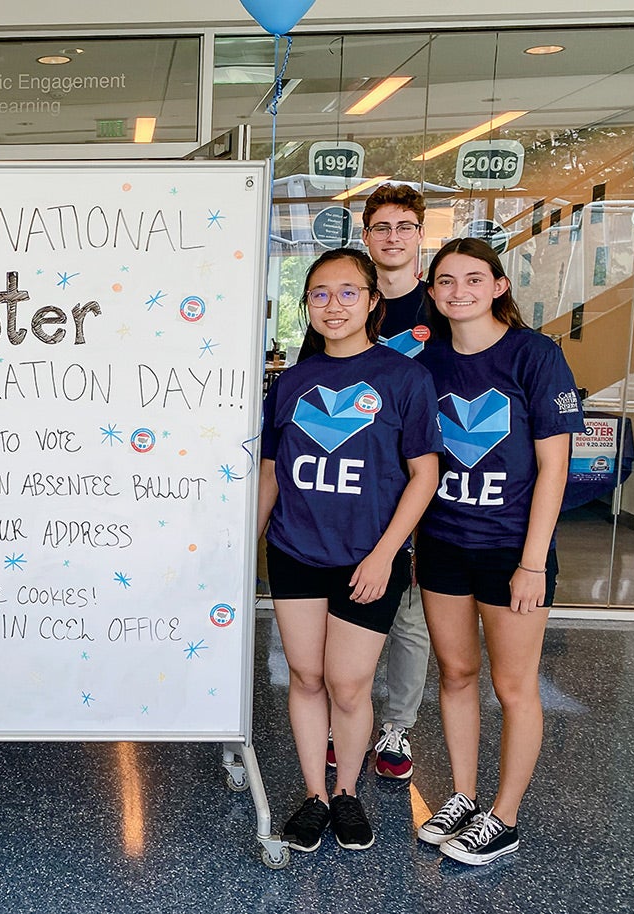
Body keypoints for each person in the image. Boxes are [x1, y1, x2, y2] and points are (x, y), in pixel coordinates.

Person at [259, 248, 441, 853]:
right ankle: (315, 794)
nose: (332, 305)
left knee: (349, 684)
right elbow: (271, 474)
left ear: (371, 302)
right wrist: (246, 546)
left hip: (369, 559)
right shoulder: (290, 383)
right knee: (307, 676)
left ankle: (348, 792)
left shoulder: (404, 378)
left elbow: (424, 475)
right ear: (306, 305)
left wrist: (386, 553)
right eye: (318, 294)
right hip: (294, 552)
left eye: (346, 293)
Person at [414, 238, 583, 865]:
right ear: (432, 293)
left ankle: (504, 817)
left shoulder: (534, 356)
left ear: (498, 286)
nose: (459, 291)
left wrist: (533, 562)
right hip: (442, 545)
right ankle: (461, 795)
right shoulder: (426, 366)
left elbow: (553, 468)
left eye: (473, 279)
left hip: (513, 550)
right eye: (446, 281)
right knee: (456, 676)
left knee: (513, 686)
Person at [299, 182, 433, 780]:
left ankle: (396, 726)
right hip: (358, 487)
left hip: (422, 478)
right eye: (381, 227)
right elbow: (311, 386)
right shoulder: (338, 304)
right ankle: (338, 721)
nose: (393, 236)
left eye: (404, 226)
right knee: (332, 645)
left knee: (406, 613)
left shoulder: (443, 303)